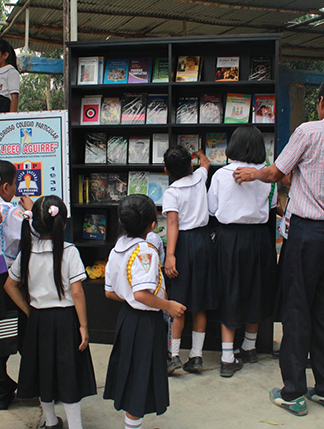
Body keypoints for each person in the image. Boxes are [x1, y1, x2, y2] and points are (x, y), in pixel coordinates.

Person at [233, 77, 324, 416]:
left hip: (308, 234)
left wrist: (255, 175)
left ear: (322, 102)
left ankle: (293, 391)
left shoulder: (309, 132)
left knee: (297, 308)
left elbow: (277, 172)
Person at [4, 196, 96, 429]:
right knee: (69, 374)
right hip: (66, 319)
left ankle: (51, 422)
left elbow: (9, 285)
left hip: (39, 319)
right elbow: (77, 293)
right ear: (63, 223)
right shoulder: (69, 251)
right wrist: (83, 325)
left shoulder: (28, 251)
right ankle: (76, 425)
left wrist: (28, 310)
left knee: (43, 370)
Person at [103, 194, 186, 429]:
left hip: (127, 318)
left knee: (131, 377)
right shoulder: (145, 251)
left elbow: (110, 292)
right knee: (140, 379)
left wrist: (129, 297)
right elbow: (141, 294)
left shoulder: (117, 249)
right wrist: (169, 306)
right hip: (145, 322)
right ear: (152, 226)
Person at [207, 125, 278, 378]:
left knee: (230, 290)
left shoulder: (219, 175)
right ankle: (249, 347)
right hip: (259, 239)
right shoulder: (265, 177)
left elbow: (212, 210)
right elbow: (271, 207)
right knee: (255, 289)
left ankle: (227, 357)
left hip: (229, 240)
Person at [0, 159, 33, 410]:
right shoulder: (14, 212)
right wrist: (30, 209)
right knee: (25, 332)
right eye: (14, 185)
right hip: (12, 280)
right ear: (3, 187)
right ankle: (34, 385)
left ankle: (0, 391)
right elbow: (34, 231)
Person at [162, 146, 217, 374]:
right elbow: (207, 164)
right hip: (204, 243)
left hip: (182, 244)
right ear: (190, 165)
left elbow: (173, 224)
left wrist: (170, 255)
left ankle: (174, 355)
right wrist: (199, 154)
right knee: (200, 302)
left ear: (166, 170)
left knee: (178, 301)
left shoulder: (171, 192)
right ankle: (196, 356)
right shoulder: (199, 177)